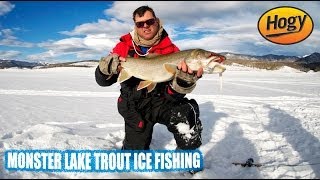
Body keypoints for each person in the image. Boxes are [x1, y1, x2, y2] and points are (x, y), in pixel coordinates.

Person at [95, 6, 203, 150]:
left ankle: (187, 159)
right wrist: (104, 71)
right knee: (133, 158)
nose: (145, 26)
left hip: (163, 103)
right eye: (140, 24)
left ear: (157, 21)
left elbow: (174, 95)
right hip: (135, 106)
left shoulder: (172, 50)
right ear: (135, 26)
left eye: (149, 21)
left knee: (186, 113)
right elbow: (102, 82)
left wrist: (183, 83)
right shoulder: (123, 47)